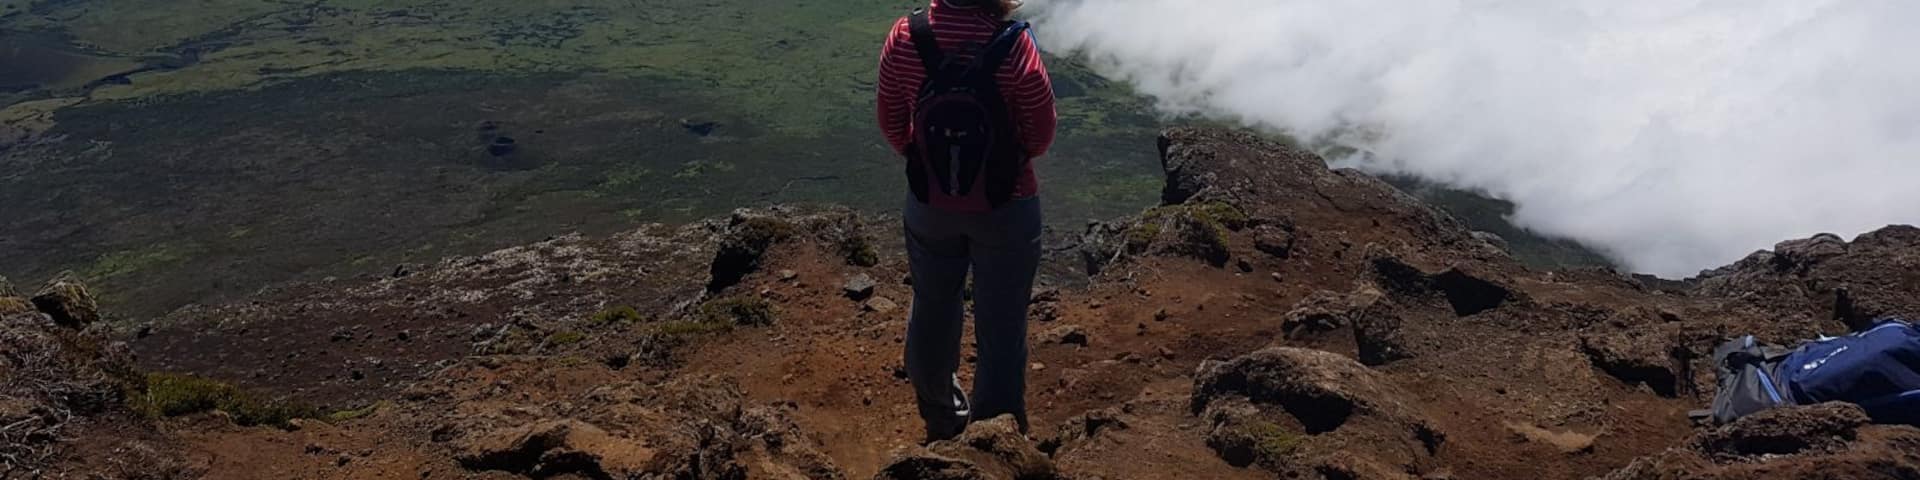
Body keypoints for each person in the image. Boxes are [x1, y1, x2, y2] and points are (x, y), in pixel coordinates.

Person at [874, 0, 1057, 442]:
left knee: (933, 304)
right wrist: (1000, 170)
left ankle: (941, 416)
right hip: (1006, 208)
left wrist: (930, 167)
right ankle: (993, 436)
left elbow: (892, 122)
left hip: (930, 204)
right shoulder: (1015, 46)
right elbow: (1041, 133)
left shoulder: (905, 36)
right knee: (1003, 320)